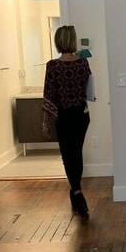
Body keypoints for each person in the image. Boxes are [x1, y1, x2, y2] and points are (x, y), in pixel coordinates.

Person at [42, 25, 92, 218]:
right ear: (73, 40)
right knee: (76, 153)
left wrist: (45, 122)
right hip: (81, 115)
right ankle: (74, 191)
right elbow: (88, 87)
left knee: (67, 155)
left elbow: (48, 95)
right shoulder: (83, 63)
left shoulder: (53, 66)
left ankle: (78, 193)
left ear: (58, 41)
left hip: (63, 116)